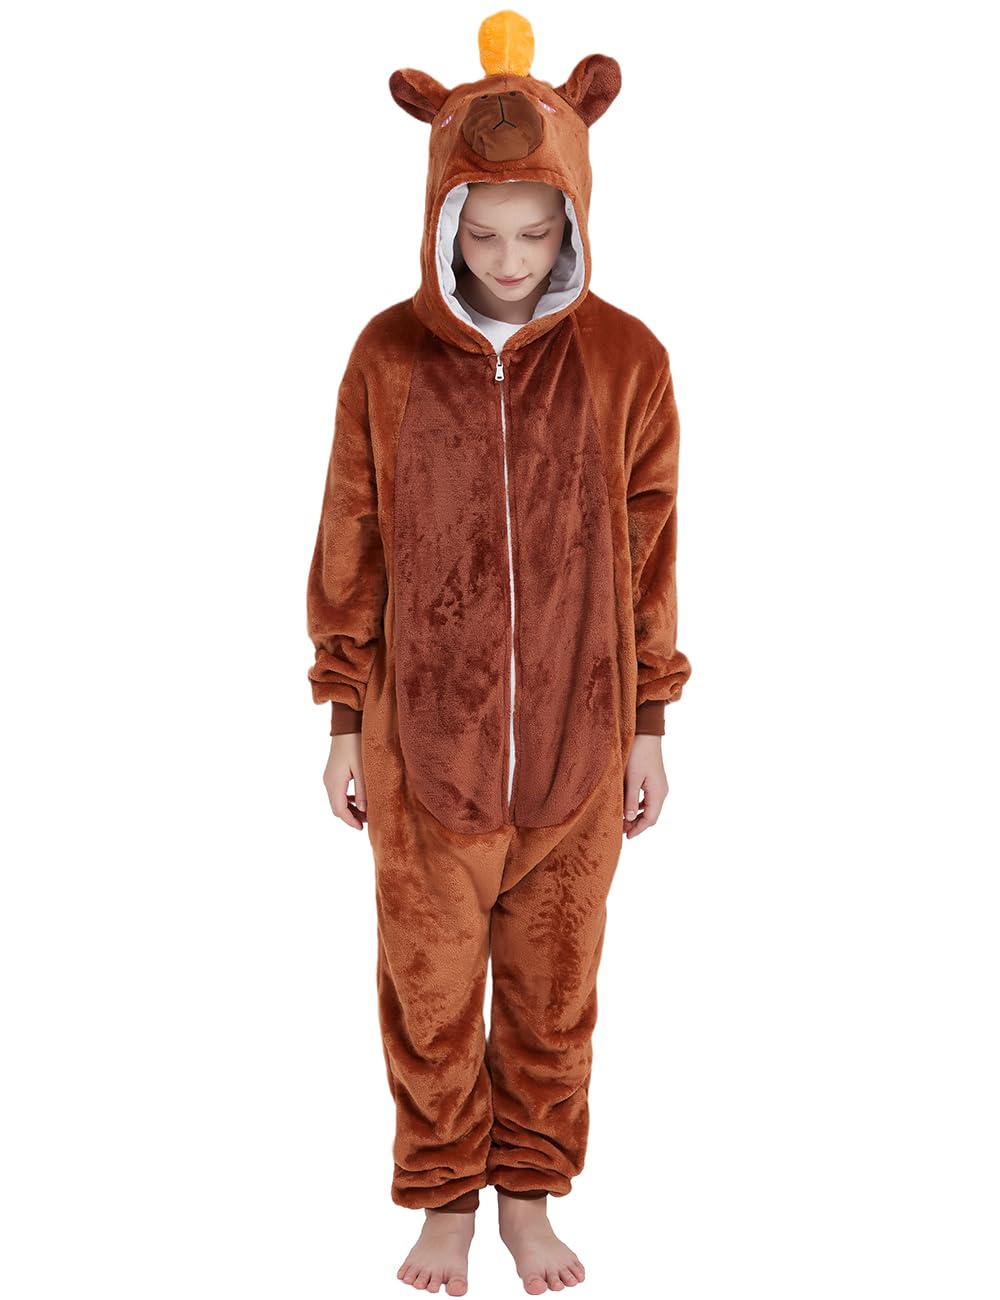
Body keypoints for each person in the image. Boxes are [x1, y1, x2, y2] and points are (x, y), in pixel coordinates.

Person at [305, 11, 692, 1294]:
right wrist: (343, 717)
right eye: (482, 234)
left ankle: (527, 1192)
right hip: (422, 749)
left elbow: (649, 553)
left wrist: (648, 726)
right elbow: (351, 536)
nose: (511, 260)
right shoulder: (387, 355)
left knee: (554, 992)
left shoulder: (629, 360)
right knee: (427, 993)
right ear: (442, 216)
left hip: (582, 744)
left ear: (573, 213)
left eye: (536, 232)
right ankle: (442, 1202)